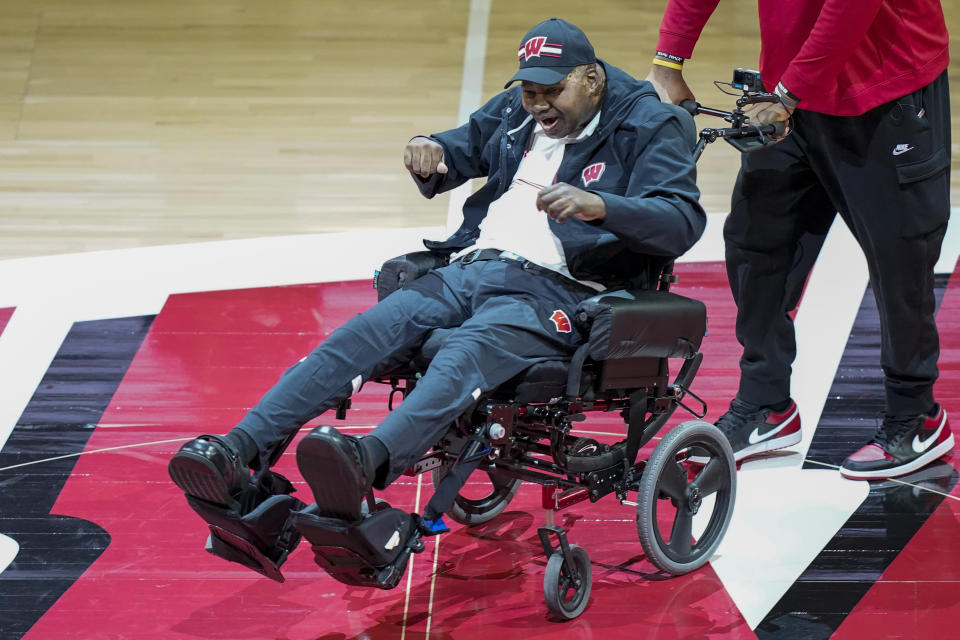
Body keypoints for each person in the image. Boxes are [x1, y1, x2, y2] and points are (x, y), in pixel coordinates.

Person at [169, 17, 705, 539]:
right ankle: (236, 451)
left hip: (562, 290)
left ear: (591, 78)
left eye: (551, 91)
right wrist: (430, 150)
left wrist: (602, 206)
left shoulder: (652, 125)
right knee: (363, 333)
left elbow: (681, 220)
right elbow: (461, 147)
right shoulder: (521, 113)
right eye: (529, 93)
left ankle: (366, 462)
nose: (538, 105)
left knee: (464, 353)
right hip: (472, 267)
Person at [646, 0, 954, 479]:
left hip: (883, 93)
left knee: (900, 260)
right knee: (756, 243)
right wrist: (669, 58)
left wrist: (790, 93)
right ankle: (765, 405)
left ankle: (916, 417)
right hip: (790, 94)